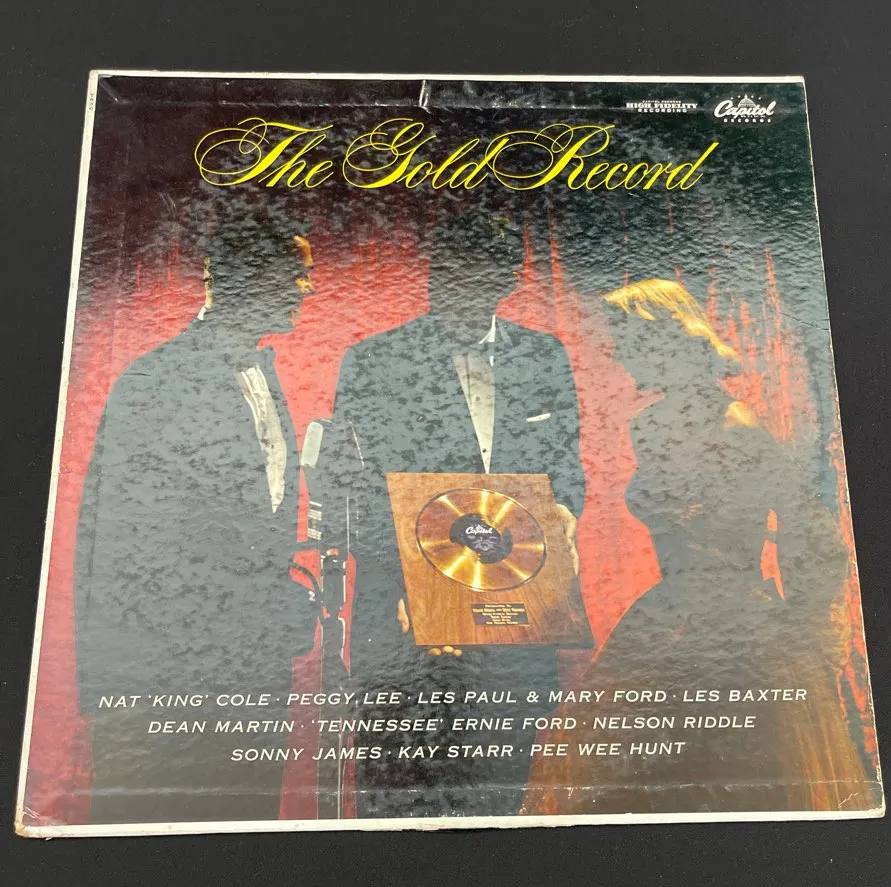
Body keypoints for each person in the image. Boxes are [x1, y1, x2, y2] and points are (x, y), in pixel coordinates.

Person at [571, 277, 879, 815]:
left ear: (661, 342)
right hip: (668, 615)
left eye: (624, 340)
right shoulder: (648, 425)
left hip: (739, 625)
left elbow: (810, 528)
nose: (616, 354)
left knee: (742, 772)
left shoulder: (737, 425)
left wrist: (806, 627)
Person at [320, 205, 586, 818]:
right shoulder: (375, 360)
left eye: (474, 274)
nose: (452, 287)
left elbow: (566, 471)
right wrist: (416, 589)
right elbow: (358, 489)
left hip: (516, 617)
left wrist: (563, 518)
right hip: (406, 619)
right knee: (401, 792)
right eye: (446, 272)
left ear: (505, 281)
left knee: (501, 790)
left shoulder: (544, 357)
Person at [75, 207, 318, 823]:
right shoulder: (154, 381)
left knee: (244, 837)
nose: (308, 289)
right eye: (297, 275)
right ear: (254, 278)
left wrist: (277, 596)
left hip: (252, 670)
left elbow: (248, 523)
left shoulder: (261, 372)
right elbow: (130, 547)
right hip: (168, 682)